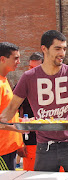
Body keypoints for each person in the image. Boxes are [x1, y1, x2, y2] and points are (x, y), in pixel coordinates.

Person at [0, 30, 68, 172]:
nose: (62, 53)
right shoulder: (28, 77)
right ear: (44, 49)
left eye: (64, 49)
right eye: (57, 48)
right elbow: (11, 109)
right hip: (44, 146)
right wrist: (2, 121)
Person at [0, 42, 24, 170]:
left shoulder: (4, 80)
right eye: (15, 58)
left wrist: (21, 121)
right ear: (2, 59)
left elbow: (5, 115)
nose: (19, 61)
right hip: (2, 152)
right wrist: (17, 128)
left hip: (9, 149)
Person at [18, 52, 43, 171]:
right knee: (30, 174)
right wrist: (19, 141)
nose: (32, 71)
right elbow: (15, 113)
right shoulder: (22, 85)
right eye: (30, 67)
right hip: (31, 140)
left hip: (53, 140)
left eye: (35, 68)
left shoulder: (52, 84)